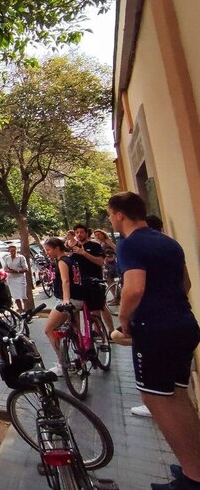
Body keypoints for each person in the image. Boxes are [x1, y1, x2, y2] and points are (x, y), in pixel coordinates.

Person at [107, 192, 200, 490]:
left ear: (120, 214)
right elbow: (185, 283)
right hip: (183, 324)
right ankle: (194, 465)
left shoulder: (129, 245)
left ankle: (192, 477)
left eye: (110, 214)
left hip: (155, 330)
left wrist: (125, 323)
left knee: (156, 400)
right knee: (177, 396)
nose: (111, 219)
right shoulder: (167, 241)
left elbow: (133, 289)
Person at [42, 237, 85, 375]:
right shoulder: (71, 259)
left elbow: (66, 281)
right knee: (75, 330)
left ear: (57, 248)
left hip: (68, 300)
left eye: (48, 250)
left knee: (49, 329)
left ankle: (62, 364)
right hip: (78, 299)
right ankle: (81, 360)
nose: (47, 253)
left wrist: (66, 300)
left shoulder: (62, 261)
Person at [72, 224, 114, 334]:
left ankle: (111, 331)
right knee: (89, 309)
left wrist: (84, 253)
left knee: (101, 306)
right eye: (77, 232)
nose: (79, 234)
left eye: (81, 232)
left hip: (95, 281)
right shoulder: (74, 248)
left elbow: (100, 262)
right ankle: (96, 331)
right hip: (82, 283)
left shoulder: (95, 246)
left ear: (86, 233)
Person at [4, 244, 29, 311]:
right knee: (16, 297)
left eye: (14, 251)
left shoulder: (21, 257)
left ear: (16, 250)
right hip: (11, 279)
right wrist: (9, 271)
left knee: (23, 295)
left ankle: (26, 310)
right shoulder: (7, 258)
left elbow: (26, 269)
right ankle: (20, 310)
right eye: (11, 251)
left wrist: (17, 271)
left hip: (20, 278)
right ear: (9, 251)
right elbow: (5, 268)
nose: (13, 252)